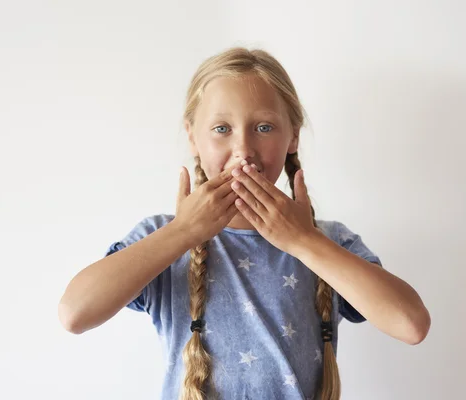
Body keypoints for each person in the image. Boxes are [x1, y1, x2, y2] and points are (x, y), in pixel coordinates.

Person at [58, 47, 431, 400]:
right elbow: (75, 314)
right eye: (222, 128)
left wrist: (303, 241)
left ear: (293, 136)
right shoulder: (163, 239)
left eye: (264, 127)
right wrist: (183, 232)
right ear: (192, 136)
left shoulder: (328, 241)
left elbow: (411, 324)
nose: (243, 149)